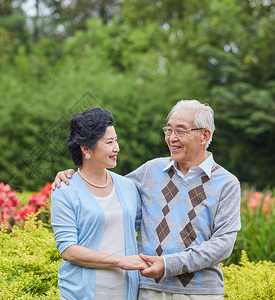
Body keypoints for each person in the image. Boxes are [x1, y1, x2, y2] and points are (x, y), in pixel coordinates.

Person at [52, 100, 241, 299]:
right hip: (150, 290)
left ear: (205, 135)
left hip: (199, 292)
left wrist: (169, 264)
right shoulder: (151, 171)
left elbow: (223, 244)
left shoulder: (226, 183)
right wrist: (71, 177)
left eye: (180, 131)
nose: (172, 138)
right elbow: (102, 192)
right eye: (168, 130)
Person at [51, 107, 149, 300]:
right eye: (109, 142)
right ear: (86, 149)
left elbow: (148, 229)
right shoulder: (65, 190)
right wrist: (120, 262)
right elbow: (69, 250)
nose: (117, 148)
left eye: (116, 140)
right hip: (81, 293)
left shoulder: (128, 186)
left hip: (127, 292)